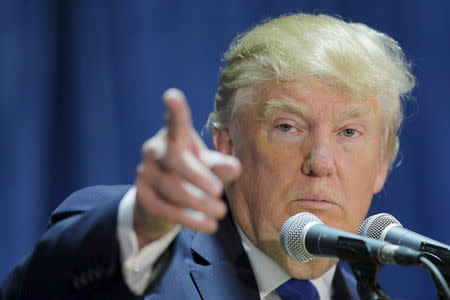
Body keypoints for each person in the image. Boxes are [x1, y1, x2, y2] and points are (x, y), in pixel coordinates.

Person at [1, 13, 414, 299]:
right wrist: (140, 225)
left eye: (349, 132)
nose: (320, 162)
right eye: (288, 127)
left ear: (381, 166)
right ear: (227, 145)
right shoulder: (147, 261)